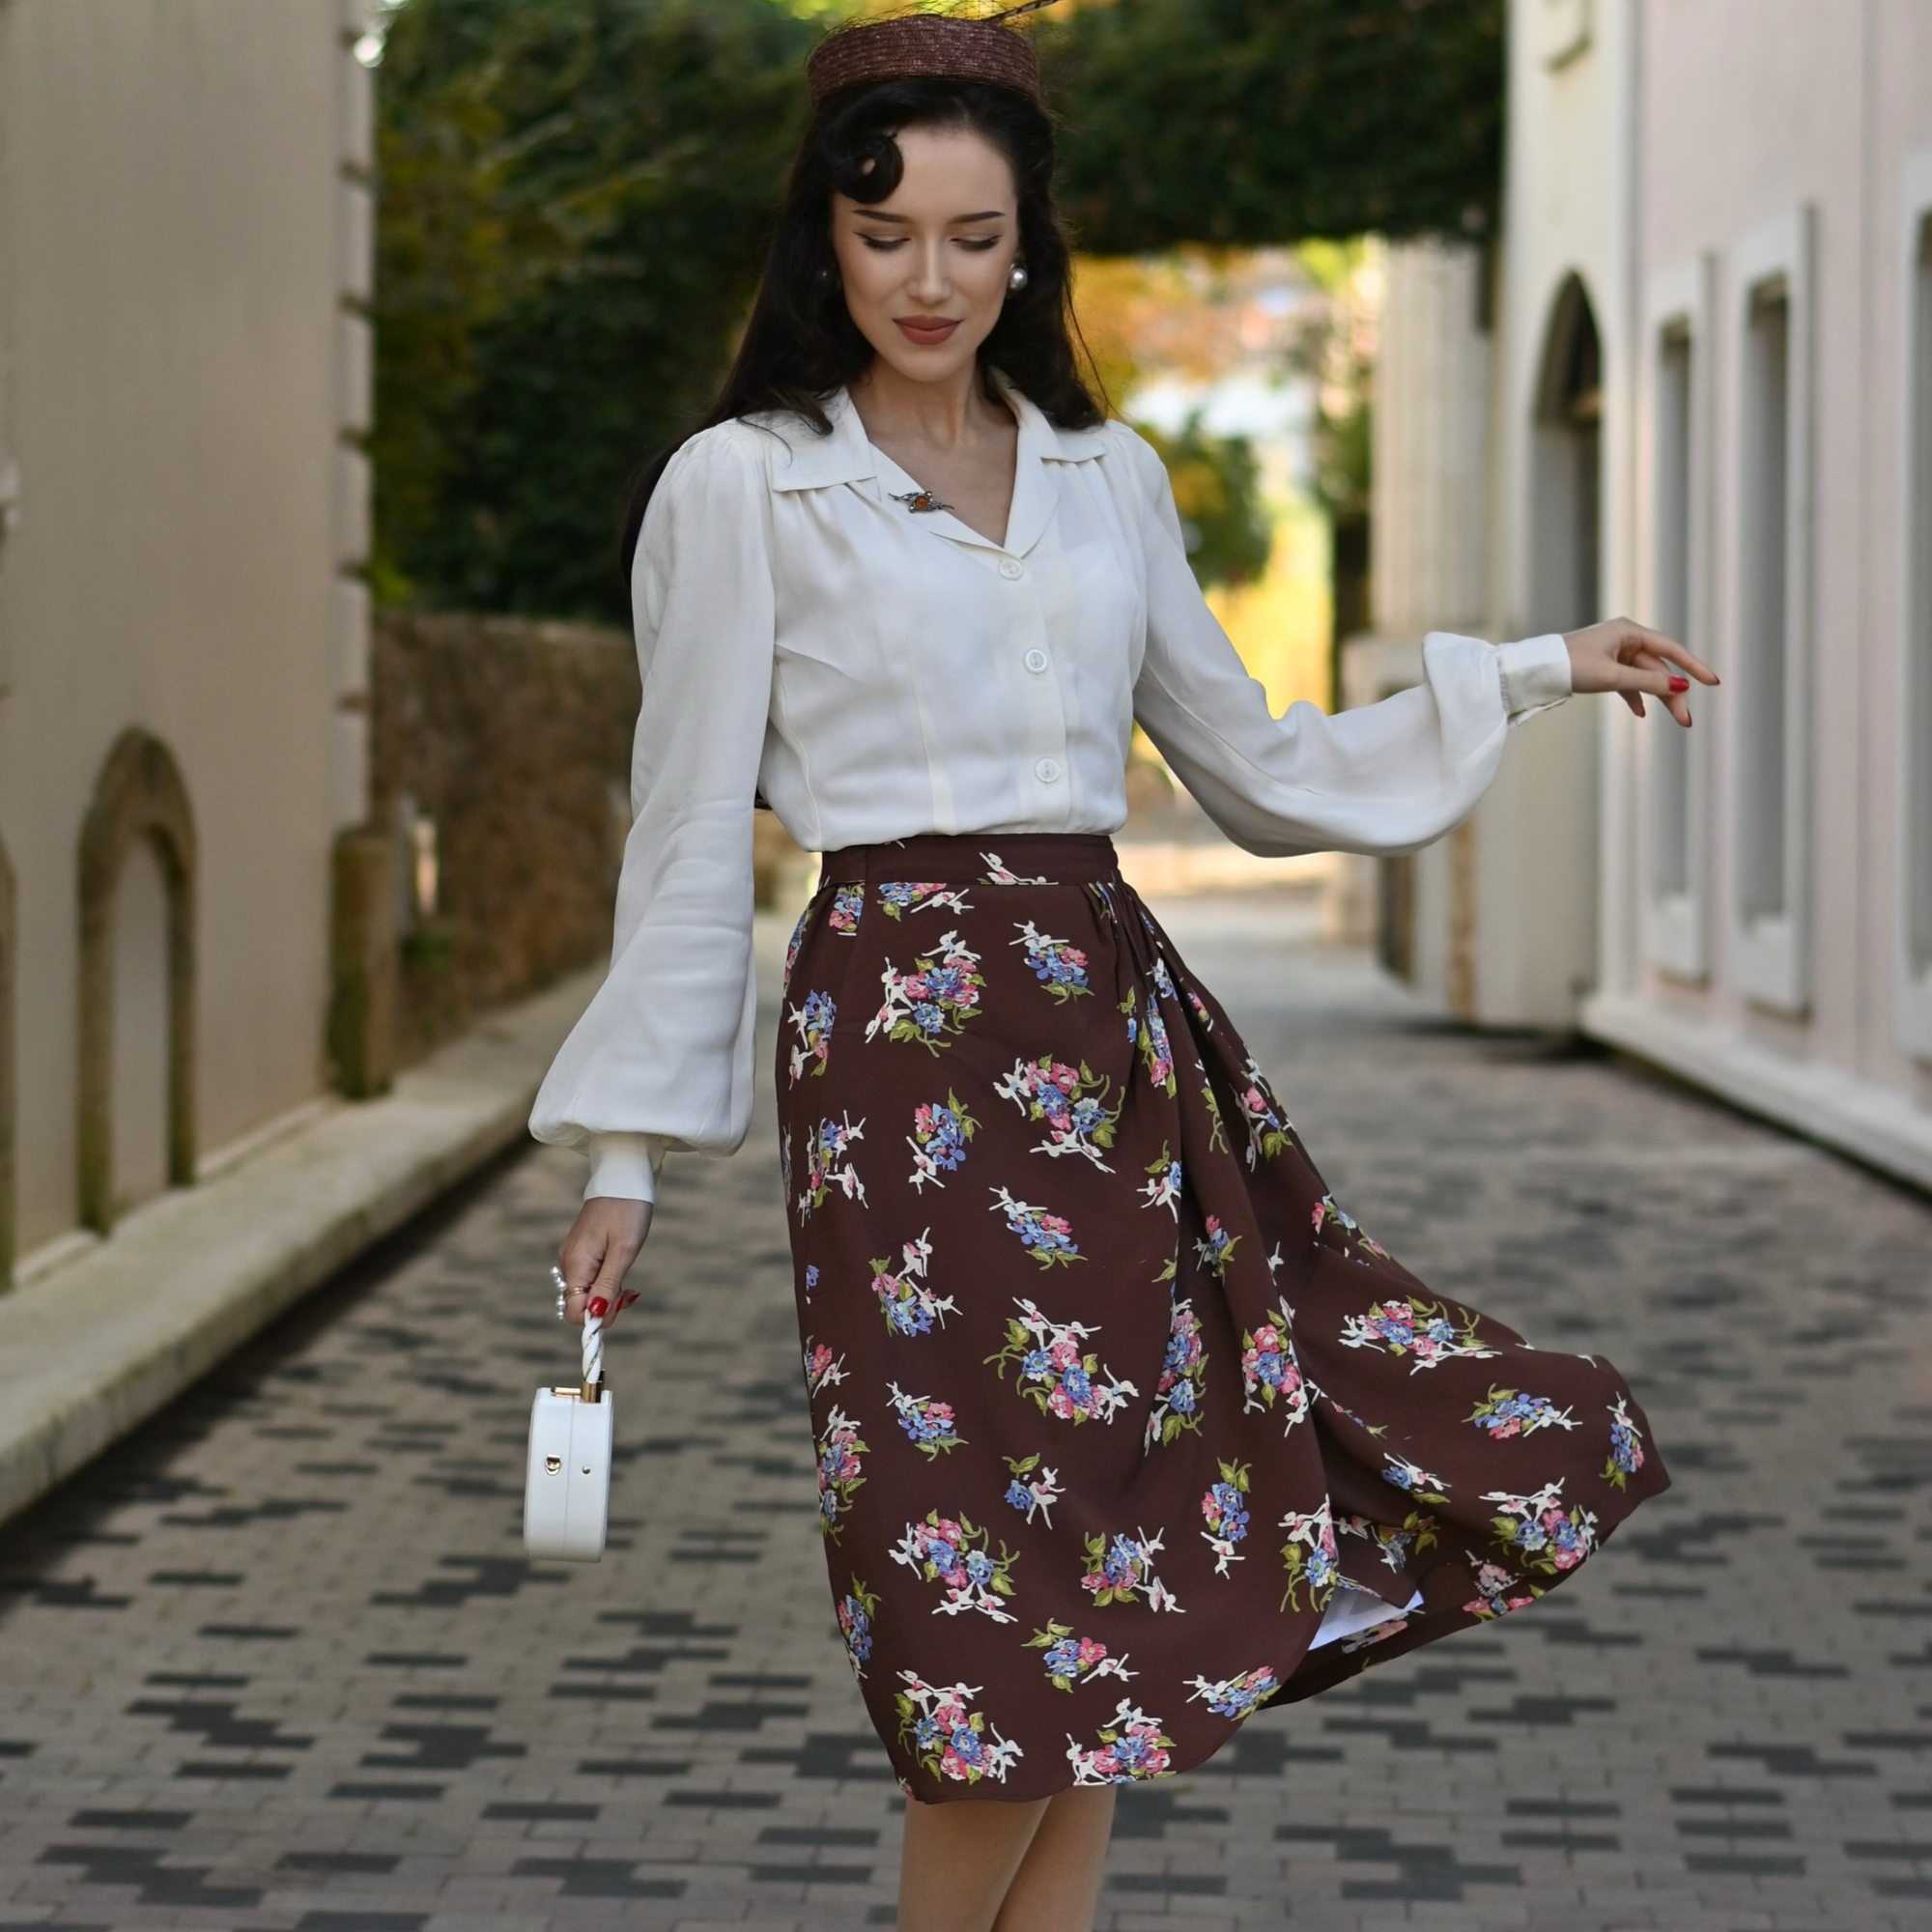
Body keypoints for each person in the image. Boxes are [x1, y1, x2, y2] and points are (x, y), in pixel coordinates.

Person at [532, 10, 1707, 1928]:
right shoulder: (740, 487)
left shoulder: (1108, 475)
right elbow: (679, 837)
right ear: (823, 238)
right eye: (886, 234)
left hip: (1113, 1041)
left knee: (1112, 1569)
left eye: (973, 237)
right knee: (975, 1601)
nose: (928, 279)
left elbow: (1256, 766)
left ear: (1030, 246)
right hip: (901, 1068)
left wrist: (1533, 668)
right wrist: (623, 1159)